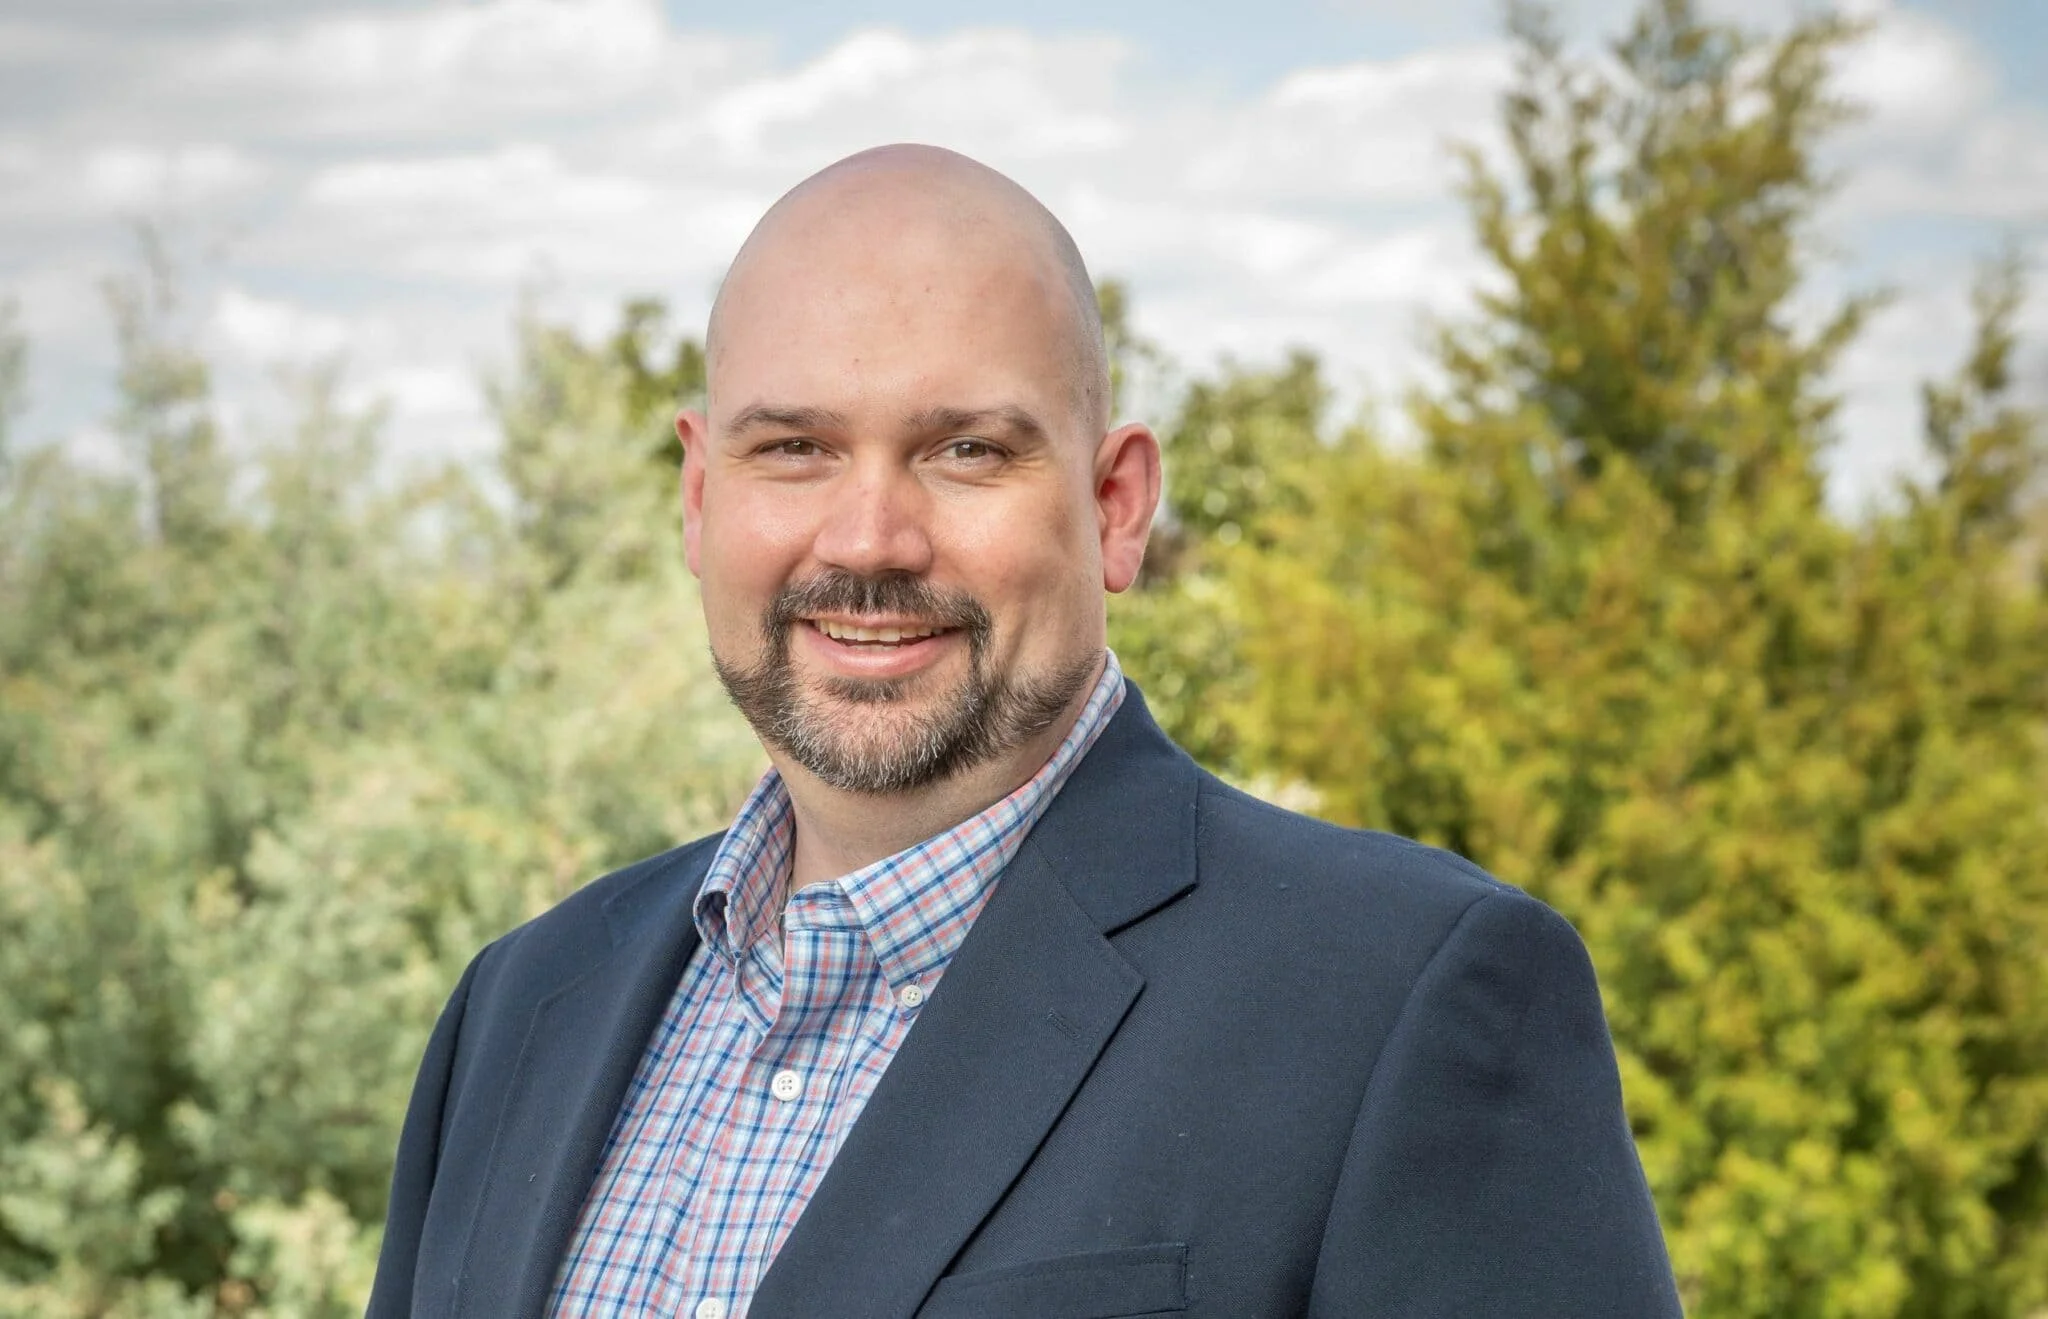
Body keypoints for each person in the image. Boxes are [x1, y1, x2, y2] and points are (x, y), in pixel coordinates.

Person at [367, 144, 1683, 1319]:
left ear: (1116, 506)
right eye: (796, 449)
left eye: (966, 451)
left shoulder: (1401, 1000)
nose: (869, 540)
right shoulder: (521, 1007)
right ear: (701, 495)